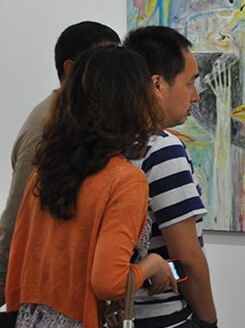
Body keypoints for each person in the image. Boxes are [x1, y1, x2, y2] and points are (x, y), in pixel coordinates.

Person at [5, 45, 176, 328]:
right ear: (134, 102)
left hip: (32, 318)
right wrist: (152, 265)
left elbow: (19, 256)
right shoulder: (125, 181)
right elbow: (109, 282)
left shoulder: (45, 169)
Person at [0, 21, 121, 305]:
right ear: (70, 68)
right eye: (103, 64)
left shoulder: (79, 120)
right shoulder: (48, 125)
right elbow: (18, 213)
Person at [124, 26, 218, 328]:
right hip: (163, 317)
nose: (195, 96)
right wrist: (209, 321)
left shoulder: (108, 143)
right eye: (189, 83)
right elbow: (187, 257)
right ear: (157, 84)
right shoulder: (162, 149)